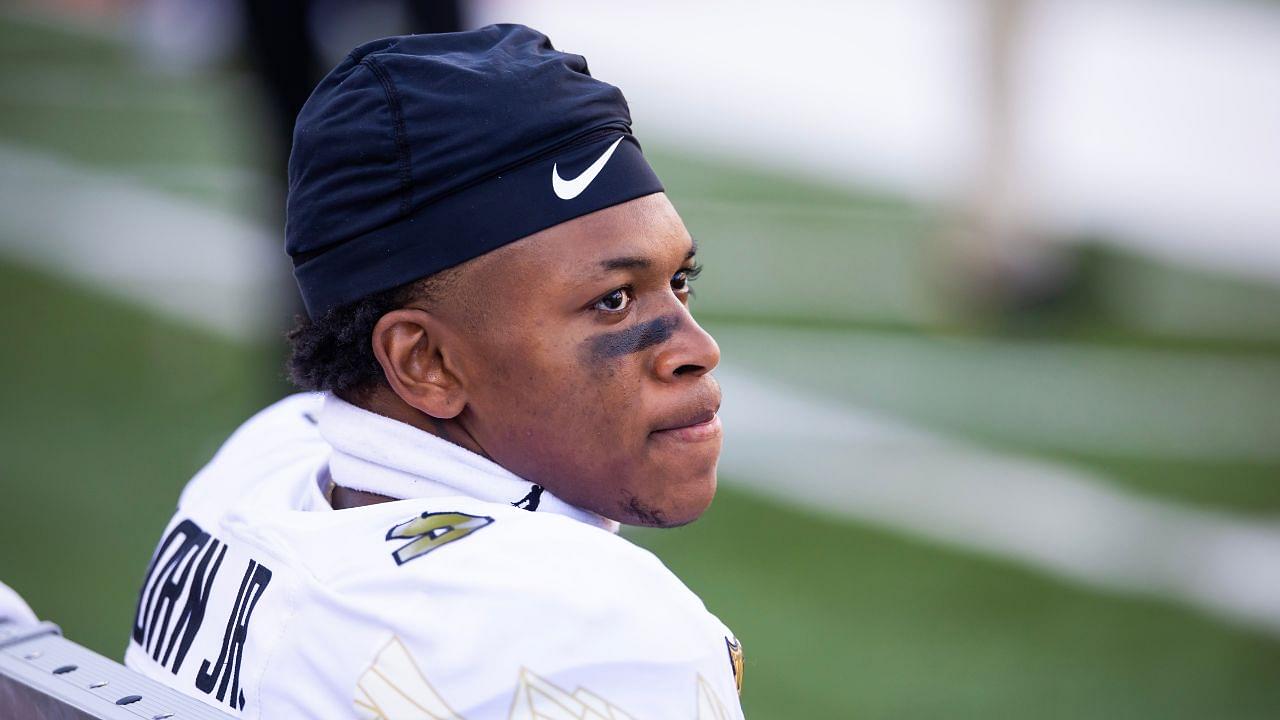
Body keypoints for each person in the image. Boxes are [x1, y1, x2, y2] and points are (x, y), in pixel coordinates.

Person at [125, 25, 745, 719]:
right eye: (612, 301)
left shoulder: (257, 466)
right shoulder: (601, 634)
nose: (696, 347)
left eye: (680, 281)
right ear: (425, 362)